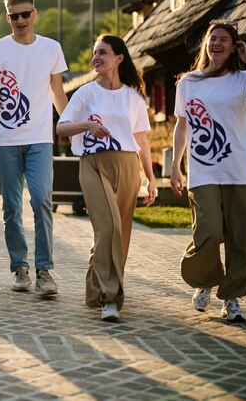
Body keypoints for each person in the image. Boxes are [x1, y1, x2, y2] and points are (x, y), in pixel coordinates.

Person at [170, 21, 246, 322]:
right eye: (212, 38)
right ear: (205, 44)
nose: (216, 43)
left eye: (224, 39)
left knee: (244, 236)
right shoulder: (188, 82)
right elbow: (182, 126)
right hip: (203, 169)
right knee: (209, 230)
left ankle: (231, 297)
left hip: (239, 169)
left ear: (233, 47)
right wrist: (176, 166)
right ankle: (205, 280)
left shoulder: (242, 79)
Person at [56, 35, 157, 321]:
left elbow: (141, 140)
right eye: (94, 53)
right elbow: (62, 128)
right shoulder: (86, 93)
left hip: (127, 165)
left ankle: (95, 289)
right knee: (108, 226)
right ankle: (109, 297)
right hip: (93, 163)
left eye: (102, 52)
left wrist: (150, 178)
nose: (96, 57)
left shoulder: (133, 97)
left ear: (119, 58)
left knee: (119, 233)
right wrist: (87, 125)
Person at [0, 0, 68, 296]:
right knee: (11, 207)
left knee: (42, 199)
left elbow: (58, 93)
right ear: (8, 18)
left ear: (34, 13)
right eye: (14, 16)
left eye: (25, 14)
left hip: (40, 139)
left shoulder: (51, 48)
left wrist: (69, 125)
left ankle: (44, 271)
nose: (20, 20)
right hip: (5, 141)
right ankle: (20, 267)